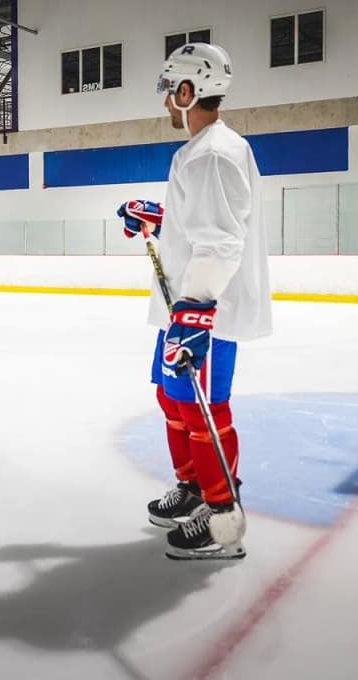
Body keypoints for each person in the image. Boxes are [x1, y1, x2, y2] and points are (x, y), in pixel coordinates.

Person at [117, 42, 272, 560]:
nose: (164, 100)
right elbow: (200, 225)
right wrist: (159, 219)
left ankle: (222, 514)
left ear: (188, 91)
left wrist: (197, 309)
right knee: (171, 397)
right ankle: (192, 488)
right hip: (185, 306)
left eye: (167, 90)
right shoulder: (201, 151)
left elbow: (223, 241)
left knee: (203, 409)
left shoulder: (213, 154)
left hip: (206, 310)